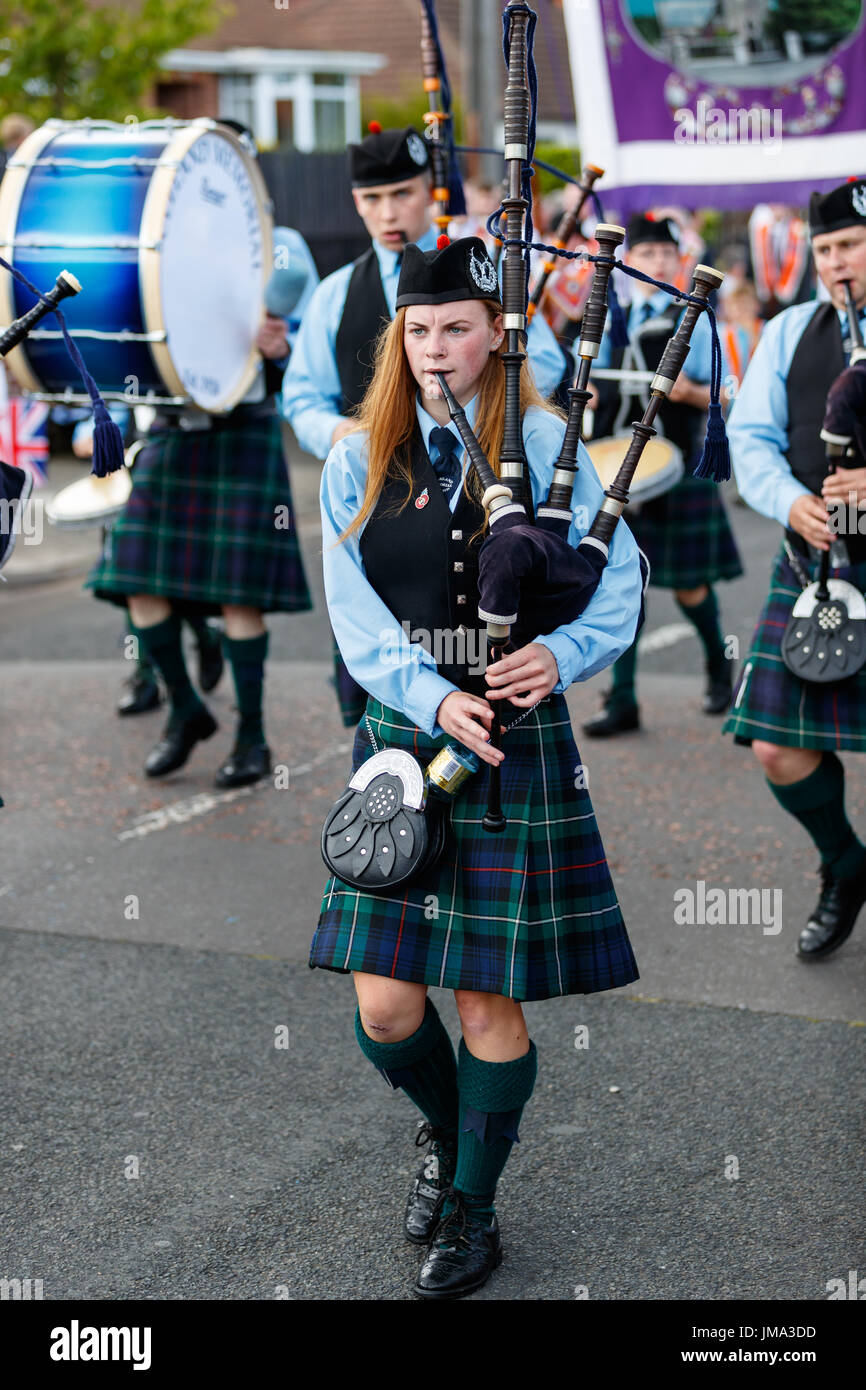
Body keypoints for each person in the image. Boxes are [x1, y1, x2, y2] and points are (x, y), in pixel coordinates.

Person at [309, 235, 643, 1299]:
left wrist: (564, 652)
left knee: (486, 1007)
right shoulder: (360, 453)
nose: (436, 348)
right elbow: (354, 617)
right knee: (386, 1008)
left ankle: (472, 1204)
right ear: (395, 342)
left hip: (510, 738)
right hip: (405, 741)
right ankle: (450, 1144)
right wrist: (425, 693)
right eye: (417, 331)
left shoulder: (546, 440)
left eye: (456, 328)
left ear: (497, 335)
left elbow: (615, 579)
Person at [282, 124, 566, 728]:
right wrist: (345, 440)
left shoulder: (485, 273)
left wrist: (482, 396)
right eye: (372, 199)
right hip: (380, 502)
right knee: (371, 704)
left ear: (430, 191)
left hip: (483, 474)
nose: (388, 212)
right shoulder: (336, 295)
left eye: (402, 194)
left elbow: (544, 361)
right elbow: (301, 394)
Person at [85, 220, 317, 788]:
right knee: (133, 578)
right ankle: (186, 709)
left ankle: (254, 739)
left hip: (244, 430)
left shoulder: (282, 248)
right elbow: (124, 334)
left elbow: (315, 348)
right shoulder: (156, 249)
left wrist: (282, 348)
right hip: (171, 429)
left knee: (241, 598)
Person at [724, 177, 866, 962]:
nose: (836, 263)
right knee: (780, 746)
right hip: (818, 562)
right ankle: (845, 862)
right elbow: (752, 440)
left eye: (849, 246)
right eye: (825, 249)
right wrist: (789, 501)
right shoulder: (788, 333)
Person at [582, 212, 744, 737]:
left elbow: (722, 394)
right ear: (631, 263)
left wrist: (687, 392)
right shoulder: (610, 317)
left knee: (691, 587)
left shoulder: (693, 318)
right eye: (647, 255)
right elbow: (592, 379)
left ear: (676, 261)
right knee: (621, 585)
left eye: (663, 255)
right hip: (619, 466)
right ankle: (623, 699)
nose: (656, 262)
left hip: (675, 463)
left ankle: (721, 666)